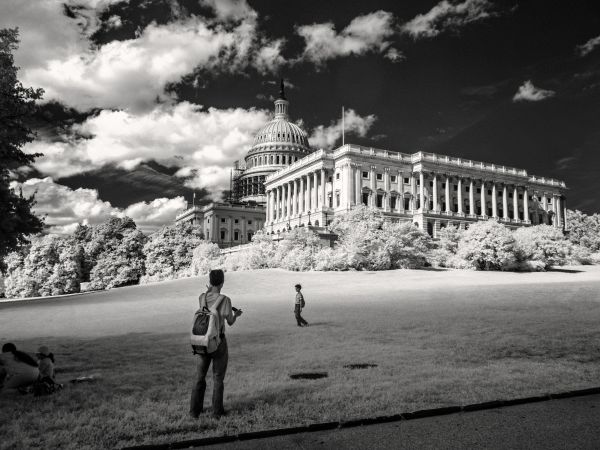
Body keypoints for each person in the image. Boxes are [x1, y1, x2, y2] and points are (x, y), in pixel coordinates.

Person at [190, 269, 242, 419]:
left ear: (210, 280)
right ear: (222, 282)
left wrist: (209, 291)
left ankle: (194, 412)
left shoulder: (201, 297)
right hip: (218, 343)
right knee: (218, 377)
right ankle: (216, 413)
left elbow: (205, 306)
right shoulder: (225, 300)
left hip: (202, 342)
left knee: (199, 377)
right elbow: (230, 322)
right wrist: (236, 314)